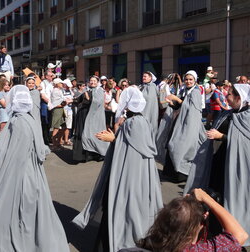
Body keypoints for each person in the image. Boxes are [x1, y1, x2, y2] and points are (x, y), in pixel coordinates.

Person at [0, 85, 69, 252]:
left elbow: (17, 154)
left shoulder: (19, 121)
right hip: (30, 175)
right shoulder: (29, 119)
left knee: (18, 213)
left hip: (21, 176)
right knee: (29, 215)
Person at [73, 86, 163, 251]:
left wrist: (114, 139)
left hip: (129, 175)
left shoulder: (134, 123)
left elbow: (132, 150)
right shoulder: (140, 120)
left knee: (122, 206)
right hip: (133, 173)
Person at [184, 84, 250, 245]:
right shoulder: (227, 113)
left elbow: (245, 144)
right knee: (215, 195)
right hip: (219, 163)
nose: (226, 96)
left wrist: (222, 136)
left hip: (237, 167)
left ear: (239, 98)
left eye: (230, 94)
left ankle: (231, 231)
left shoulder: (248, 117)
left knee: (230, 196)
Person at [137, 189, 248, 252]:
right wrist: (206, 199)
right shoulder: (200, 250)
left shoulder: (150, 242)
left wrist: (183, 206)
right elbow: (240, 235)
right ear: (200, 223)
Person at [163, 70, 207, 182]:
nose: (188, 81)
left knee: (182, 146)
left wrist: (177, 99)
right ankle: (172, 172)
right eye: (186, 79)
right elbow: (181, 107)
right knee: (172, 144)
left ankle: (182, 174)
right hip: (180, 122)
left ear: (195, 80)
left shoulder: (196, 92)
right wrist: (172, 104)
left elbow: (192, 109)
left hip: (189, 124)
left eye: (190, 79)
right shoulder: (185, 91)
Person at [73, 76, 106, 162]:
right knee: (86, 135)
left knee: (95, 134)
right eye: (91, 80)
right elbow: (78, 100)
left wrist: (89, 98)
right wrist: (72, 100)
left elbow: (98, 102)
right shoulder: (87, 90)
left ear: (98, 82)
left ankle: (99, 153)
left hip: (95, 116)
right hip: (84, 115)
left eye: (94, 81)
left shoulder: (100, 91)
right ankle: (87, 155)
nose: (92, 82)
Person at [40, 70, 54, 145]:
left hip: (50, 105)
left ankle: (48, 136)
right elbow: (42, 95)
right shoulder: (43, 83)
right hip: (45, 104)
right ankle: (45, 139)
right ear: (46, 76)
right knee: (45, 122)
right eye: (51, 76)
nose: (52, 77)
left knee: (49, 122)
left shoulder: (51, 84)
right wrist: (48, 102)